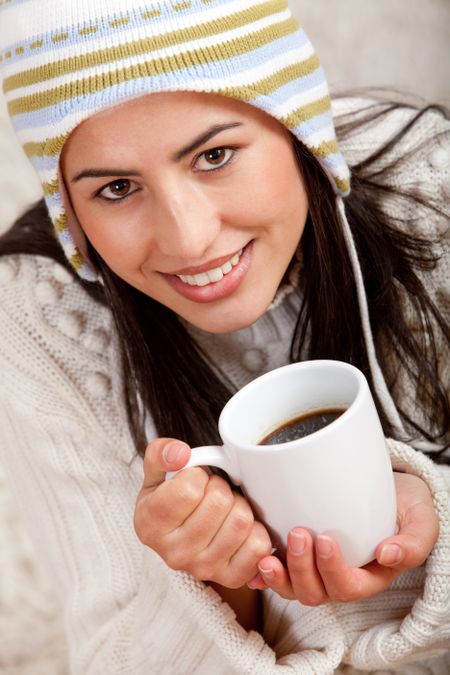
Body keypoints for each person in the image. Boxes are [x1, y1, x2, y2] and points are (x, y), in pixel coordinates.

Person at [0, 1, 449, 672]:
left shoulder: (427, 180)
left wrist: (427, 515)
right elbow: (107, 657)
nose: (189, 238)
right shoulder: (39, 307)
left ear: (301, 131)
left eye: (214, 155)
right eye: (117, 187)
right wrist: (216, 588)